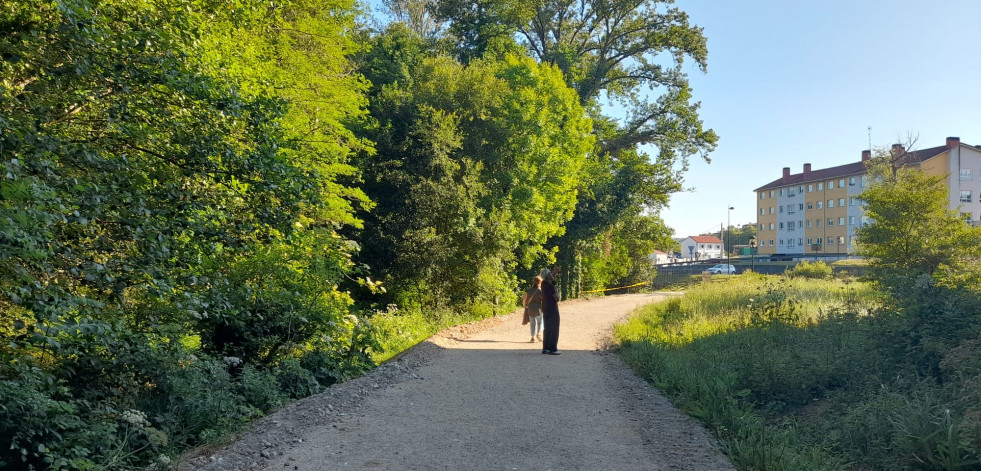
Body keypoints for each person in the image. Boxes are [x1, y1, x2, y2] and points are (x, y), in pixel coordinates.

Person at [540, 268, 561, 355]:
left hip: (545, 308)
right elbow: (556, 299)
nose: (551, 275)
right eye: (550, 274)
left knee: (547, 328)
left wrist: (555, 272)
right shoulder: (551, 286)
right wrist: (558, 294)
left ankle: (546, 348)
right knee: (554, 328)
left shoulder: (543, 284)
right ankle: (553, 349)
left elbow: (551, 279)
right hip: (553, 308)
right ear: (547, 276)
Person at [522, 276, 544, 342]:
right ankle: (539, 334)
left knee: (532, 323)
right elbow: (544, 300)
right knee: (540, 322)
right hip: (539, 309)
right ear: (540, 282)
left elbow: (524, 299)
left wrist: (524, 306)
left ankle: (532, 337)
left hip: (530, 309)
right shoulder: (541, 291)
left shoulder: (529, 290)